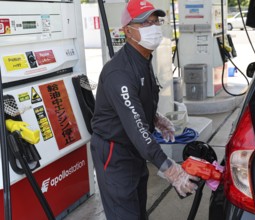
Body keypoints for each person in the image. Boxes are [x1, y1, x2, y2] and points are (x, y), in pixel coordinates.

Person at [90, 0, 199, 219]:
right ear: (127, 31)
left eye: (155, 21)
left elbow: (135, 102)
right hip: (115, 153)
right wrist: (170, 169)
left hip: (134, 150)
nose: (153, 27)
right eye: (144, 23)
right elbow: (138, 130)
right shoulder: (119, 73)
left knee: (139, 211)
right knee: (125, 213)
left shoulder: (143, 58)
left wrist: (155, 118)